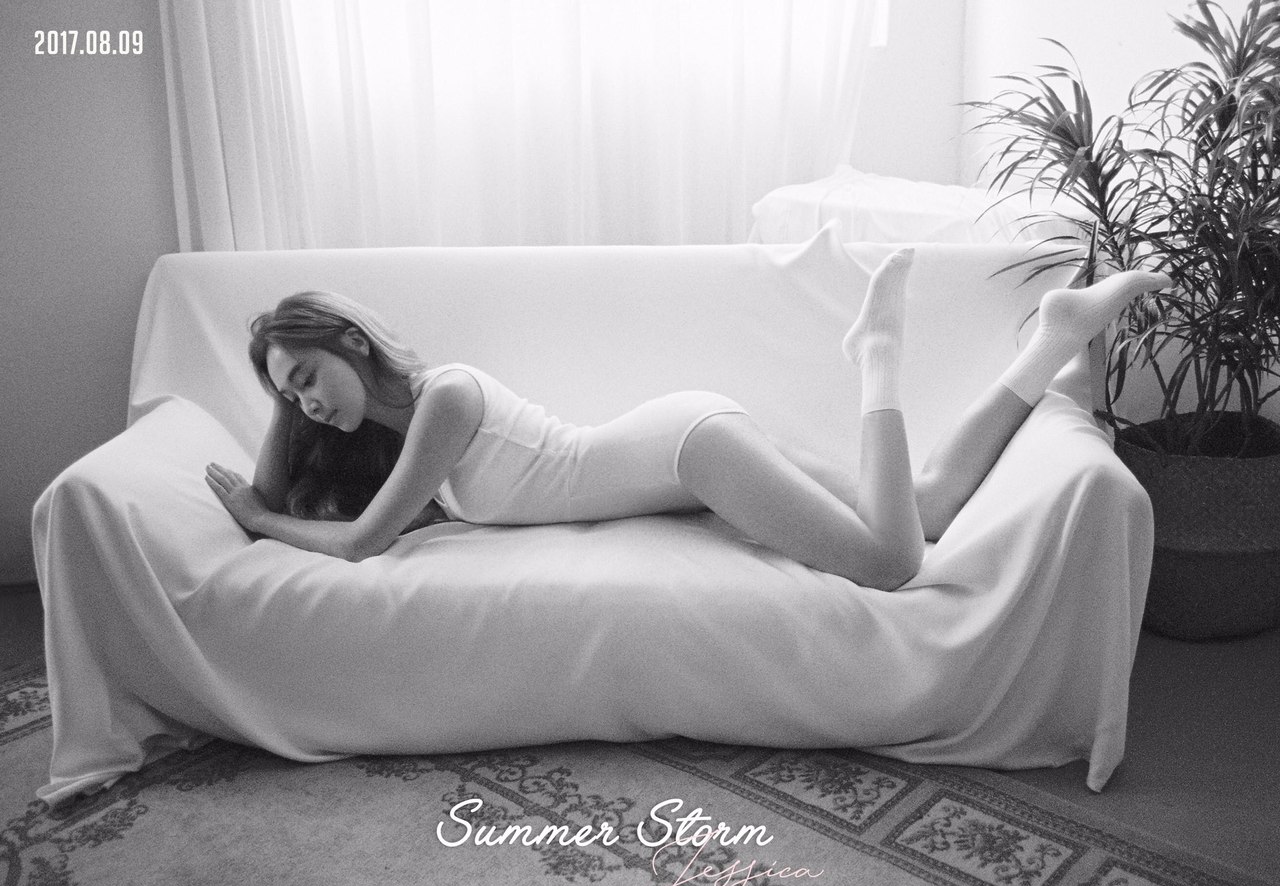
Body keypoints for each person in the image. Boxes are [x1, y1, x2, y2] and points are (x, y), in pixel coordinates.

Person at [205, 251, 1169, 590]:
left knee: (889, 563)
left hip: (689, 452)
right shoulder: (401, 422)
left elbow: (363, 544)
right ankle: (1051, 341)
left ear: (352, 340)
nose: (305, 404)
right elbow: (295, 475)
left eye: (307, 376)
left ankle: (877, 353)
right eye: (289, 396)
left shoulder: (443, 399)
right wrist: (284, 413)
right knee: (928, 508)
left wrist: (259, 519)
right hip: (684, 445)